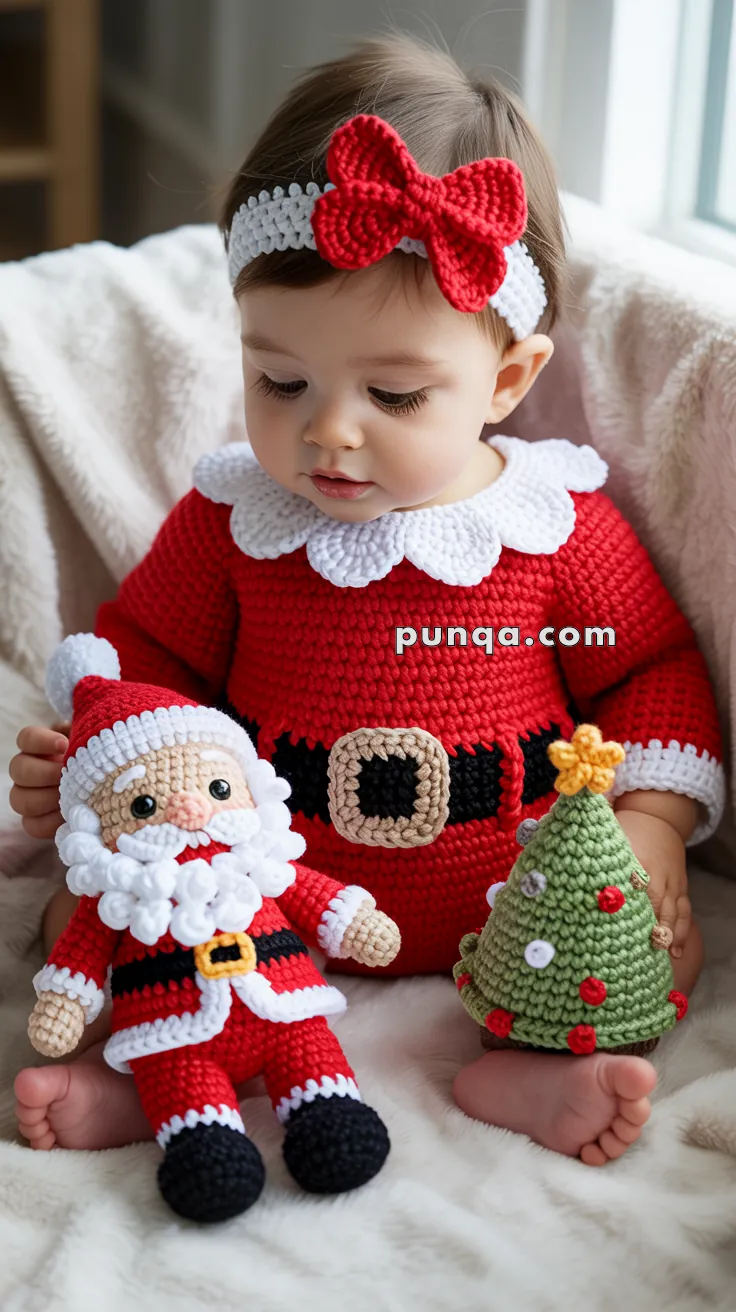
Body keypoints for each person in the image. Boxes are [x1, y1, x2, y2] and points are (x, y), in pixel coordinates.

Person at [10, 34, 724, 1167]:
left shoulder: (552, 527)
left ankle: (531, 1071)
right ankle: (149, 1082)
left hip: (513, 902)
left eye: (393, 393)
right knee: (98, 918)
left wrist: (651, 822)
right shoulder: (237, 522)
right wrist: (102, 758)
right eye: (277, 379)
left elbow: (647, 667)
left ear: (504, 379)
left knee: (641, 941)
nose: (325, 430)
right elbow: (148, 655)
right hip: (269, 895)